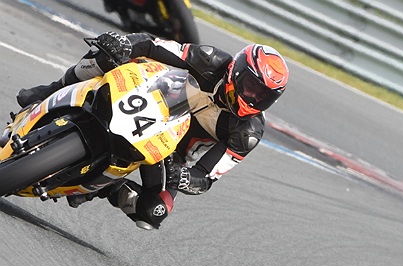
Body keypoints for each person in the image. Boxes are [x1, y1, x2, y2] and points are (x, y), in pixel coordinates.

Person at [16, 32, 289, 229]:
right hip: (149, 100)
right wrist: (124, 44)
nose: (253, 98)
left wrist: (183, 177)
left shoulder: (248, 133)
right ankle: (50, 91)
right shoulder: (210, 60)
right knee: (108, 53)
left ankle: (106, 186)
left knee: (154, 211)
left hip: (169, 152)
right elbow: (152, 45)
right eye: (251, 87)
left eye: (263, 96)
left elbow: (205, 177)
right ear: (237, 71)